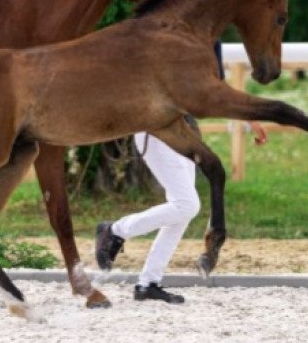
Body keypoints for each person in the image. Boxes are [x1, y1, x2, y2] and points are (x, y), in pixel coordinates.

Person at [95, 41, 268, 303]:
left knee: (181, 212)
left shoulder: (211, 42)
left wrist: (249, 118)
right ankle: (116, 230)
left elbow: (215, 91)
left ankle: (148, 283)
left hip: (184, 131)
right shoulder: (170, 35)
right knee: (187, 205)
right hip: (157, 128)